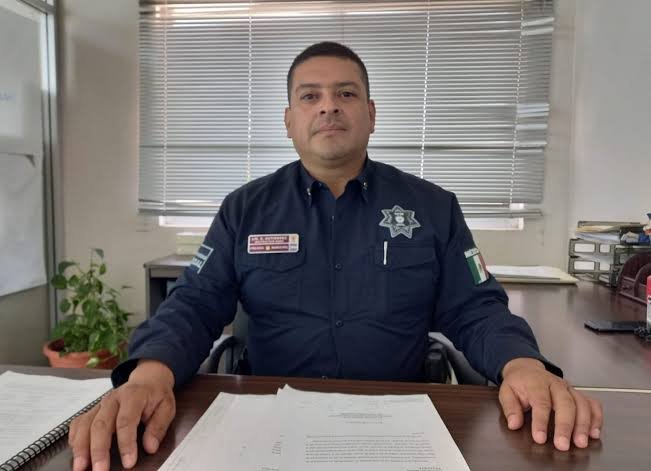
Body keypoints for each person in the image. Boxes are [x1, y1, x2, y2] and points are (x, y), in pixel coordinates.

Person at [68, 42, 603, 471]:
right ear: (289, 119)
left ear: (370, 114)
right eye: (311, 96)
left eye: (346, 93)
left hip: (397, 422)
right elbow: (194, 303)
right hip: (269, 420)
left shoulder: (433, 207)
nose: (328, 106)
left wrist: (523, 365)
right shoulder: (245, 209)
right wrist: (149, 376)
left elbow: (476, 308)